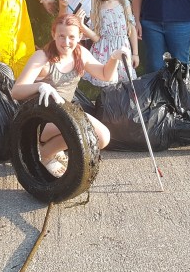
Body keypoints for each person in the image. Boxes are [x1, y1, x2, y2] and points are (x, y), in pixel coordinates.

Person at [11, 14, 129, 178]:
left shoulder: (80, 53)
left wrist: (114, 58)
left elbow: (105, 75)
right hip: (39, 121)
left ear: (80, 36)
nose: (66, 43)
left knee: (103, 137)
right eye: (61, 36)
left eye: (71, 37)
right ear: (53, 34)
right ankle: (44, 154)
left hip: (64, 114)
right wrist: (40, 85)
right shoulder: (42, 57)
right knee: (78, 129)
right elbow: (16, 91)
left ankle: (52, 147)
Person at [81, 0, 139, 85]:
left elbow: (132, 29)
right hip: (103, 51)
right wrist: (81, 25)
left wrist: (135, 54)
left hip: (122, 48)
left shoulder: (124, 4)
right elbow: (96, 37)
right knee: (107, 84)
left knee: (126, 84)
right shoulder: (96, 8)